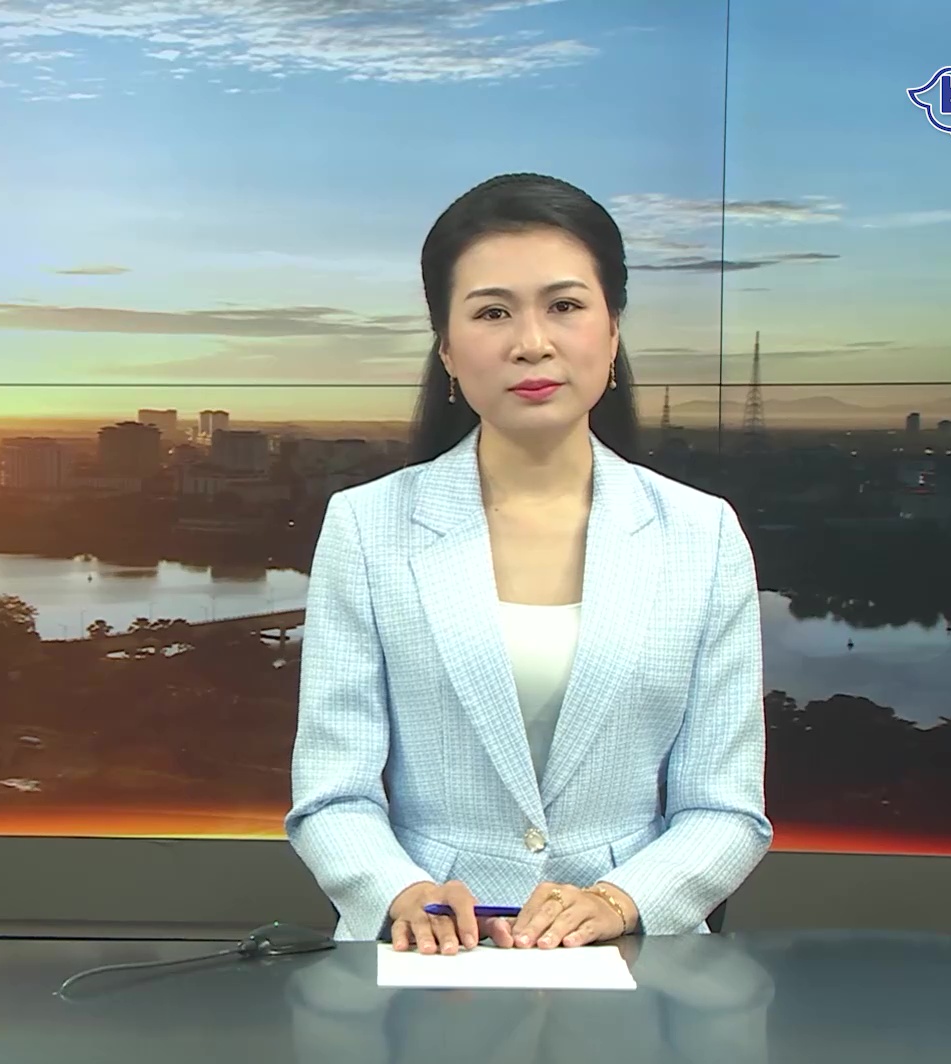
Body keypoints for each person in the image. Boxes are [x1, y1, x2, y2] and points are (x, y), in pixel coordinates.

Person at [284, 172, 771, 955]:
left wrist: (617, 902)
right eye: (492, 312)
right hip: (427, 952)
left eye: (565, 306)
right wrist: (404, 894)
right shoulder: (367, 527)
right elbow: (333, 796)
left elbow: (724, 810)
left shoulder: (701, 534)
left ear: (612, 331)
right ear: (447, 348)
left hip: (630, 954)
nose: (531, 342)